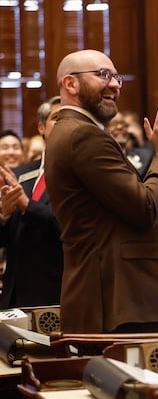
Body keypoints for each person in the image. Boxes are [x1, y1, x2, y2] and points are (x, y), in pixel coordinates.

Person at [45, 49, 158, 333]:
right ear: (70, 84)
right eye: (103, 75)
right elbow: (145, 208)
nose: (114, 84)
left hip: (115, 298)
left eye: (116, 77)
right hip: (121, 300)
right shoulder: (82, 134)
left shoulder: (71, 131)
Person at [0, 96, 63, 309]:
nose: (64, 123)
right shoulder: (19, 174)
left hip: (56, 294)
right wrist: (4, 216)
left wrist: (27, 206)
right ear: (42, 127)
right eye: (57, 117)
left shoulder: (81, 174)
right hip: (15, 293)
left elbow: (69, 225)